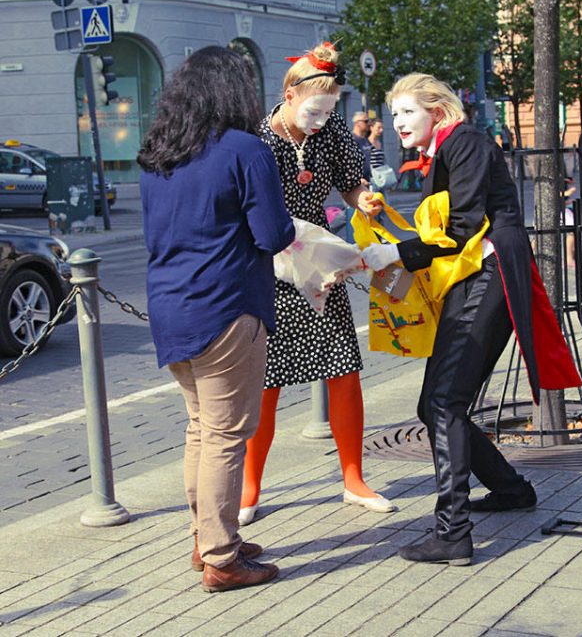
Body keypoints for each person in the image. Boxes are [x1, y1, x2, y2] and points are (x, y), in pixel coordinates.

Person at [361, 73, 582, 565]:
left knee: (442, 402)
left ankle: (453, 533)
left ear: (436, 111)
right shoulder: (449, 149)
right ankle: (510, 490)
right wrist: (387, 236)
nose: (396, 123)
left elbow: (461, 230)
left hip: (489, 277)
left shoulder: (465, 145)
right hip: (481, 279)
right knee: (437, 404)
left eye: (407, 113)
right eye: (393, 114)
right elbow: (447, 228)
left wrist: (393, 253)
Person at [137, 46, 295, 592]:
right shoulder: (245, 149)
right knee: (227, 435)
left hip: (170, 308)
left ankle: (205, 536)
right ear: (237, 91)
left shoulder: (159, 154)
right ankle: (223, 558)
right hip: (229, 306)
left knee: (201, 429)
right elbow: (274, 235)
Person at [238, 41, 395, 526]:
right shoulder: (259, 137)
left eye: (330, 110)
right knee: (265, 382)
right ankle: (249, 486)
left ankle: (353, 477)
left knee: (343, 368)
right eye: (314, 109)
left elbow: (352, 183)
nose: (322, 118)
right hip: (271, 263)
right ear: (288, 95)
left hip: (317, 263)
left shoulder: (332, 135)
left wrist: (364, 198)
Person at [351, 110, 373, 185]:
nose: (369, 124)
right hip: (358, 183)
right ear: (357, 123)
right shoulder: (351, 139)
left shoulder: (365, 139)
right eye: (366, 121)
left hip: (369, 180)